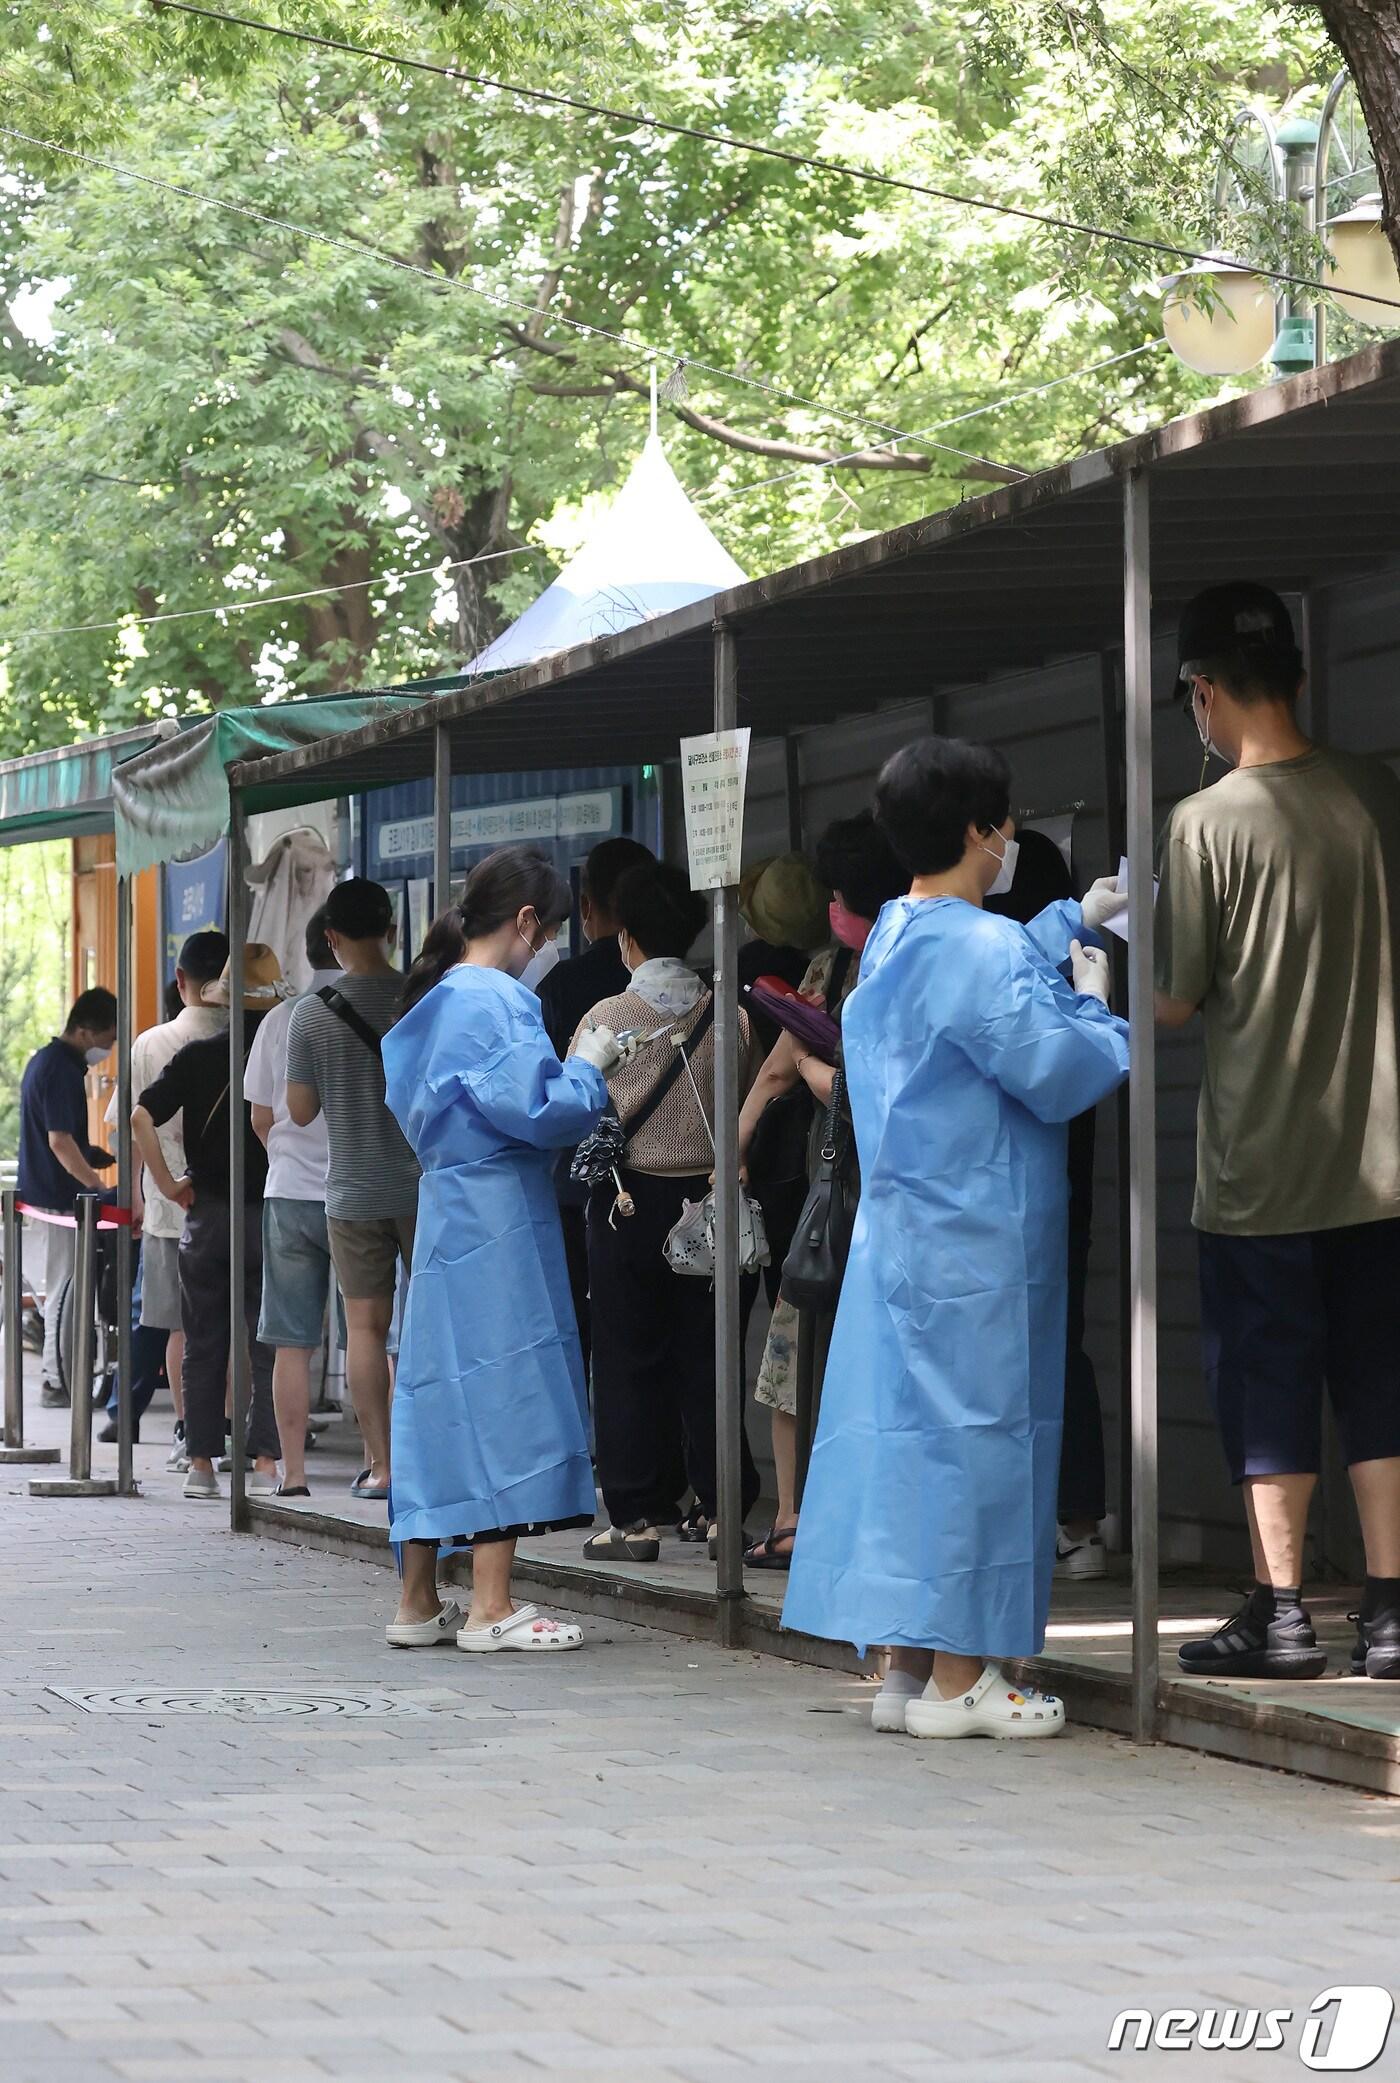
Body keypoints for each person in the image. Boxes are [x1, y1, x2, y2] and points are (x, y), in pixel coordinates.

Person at [783, 736, 1129, 1741]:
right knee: (977, 1450)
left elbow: (985, 960)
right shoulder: (979, 950)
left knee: (906, 1449)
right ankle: (962, 1679)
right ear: (980, 831)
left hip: (900, 1239)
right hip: (978, 1243)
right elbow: (1057, 1065)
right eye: (1004, 823)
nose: (1010, 837)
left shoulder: (893, 933)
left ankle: (905, 1667)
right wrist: (1099, 998)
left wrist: (1071, 916)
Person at [1158, 583, 1400, 1683]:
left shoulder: (1203, 823)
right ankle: (1388, 1615)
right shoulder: (1375, 792)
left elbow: (1174, 999)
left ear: (1203, 691)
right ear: (1296, 675)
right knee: (1378, 1379)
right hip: (1382, 1164)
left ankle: (1283, 1614)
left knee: (1267, 1386)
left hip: (1256, 1171)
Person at [381, 845, 627, 1652]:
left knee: (436, 1401)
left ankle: (417, 1600)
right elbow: (543, 1109)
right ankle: (490, 1604)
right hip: (499, 1218)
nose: (545, 944)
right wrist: (587, 1067)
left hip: (444, 1211)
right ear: (525, 921)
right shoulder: (498, 1001)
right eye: (546, 928)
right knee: (504, 1390)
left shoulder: (433, 1000)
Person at [569, 858, 761, 1562]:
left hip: (626, 1202)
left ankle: (634, 1517)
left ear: (626, 936)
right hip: (706, 1200)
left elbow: (577, 1107)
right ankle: (721, 1508)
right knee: (709, 1357)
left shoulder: (606, 1017)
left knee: (625, 1359)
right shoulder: (730, 1015)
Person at [737, 812, 907, 1569]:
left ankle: (794, 1515)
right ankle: (850, 1515)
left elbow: (788, 1071)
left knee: (795, 1352)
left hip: (844, 1197)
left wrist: (744, 1134)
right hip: (891, 1196)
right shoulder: (872, 963)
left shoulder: (842, 972)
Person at [986, 828, 1117, 1580]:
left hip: (986, 1213)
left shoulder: (965, 961)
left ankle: (1028, 1526)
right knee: (1059, 1346)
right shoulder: (1049, 971)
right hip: (1050, 1202)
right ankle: (1078, 1521)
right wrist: (1093, 1006)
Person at [132, 946, 287, 1501]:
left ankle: (201, 1462)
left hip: (207, 1215)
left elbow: (140, 1115)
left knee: (203, 1341)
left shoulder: (197, 1057)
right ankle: (265, 1461)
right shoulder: (285, 1058)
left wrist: (169, 1184)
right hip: (270, 1212)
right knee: (268, 1342)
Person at [285, 878, 420, 1501]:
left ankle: (384, 1466)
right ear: (391, 930)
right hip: (422, 1186)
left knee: (365, 1327)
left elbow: (300, 1110)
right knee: (431, 1321)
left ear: (331, 937)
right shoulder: (421, 997)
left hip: (353, 1192)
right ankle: (432, 1461)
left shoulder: (311, 1013)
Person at [103, 931, 228, 1466]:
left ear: (180, 980)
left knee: (182, 1327)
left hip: (166, 1205)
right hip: (238, 1201)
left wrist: (136, 1195)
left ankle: (187, 1430)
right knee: (236, 1326)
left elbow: (129, 1128)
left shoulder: (151, 1044)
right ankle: (232, 1429)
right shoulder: (255, 1034)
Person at [538, 835, 655, 1373]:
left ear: (586, 906)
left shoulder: (562, 984)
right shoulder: (700, 989)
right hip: (668, 1182)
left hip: (578, 1181)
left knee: (579, 1328)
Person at [246, 909, 340, 1497]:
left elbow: (261, 1116)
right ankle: (383, 1465)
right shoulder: (387, 1008)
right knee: (376, 1334)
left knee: (292, 1343)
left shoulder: (279, 1019)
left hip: (287, 1196)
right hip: (361, 1193)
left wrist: (288, 1154)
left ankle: (293, 1474)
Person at [17, 987, 118, 1406]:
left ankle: (60, 1376)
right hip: (58, 1198)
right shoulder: (60, 1069)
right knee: (65, 1291)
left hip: (46, 1190)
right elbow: (59, 1141)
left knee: (65, 1289)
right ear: (86, 1031)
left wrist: (93, 1154)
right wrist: (95, 1185)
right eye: (109, 1037)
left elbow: (64, 1137)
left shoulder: (48, 1061)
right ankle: (57, 1382)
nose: (109, 1047)